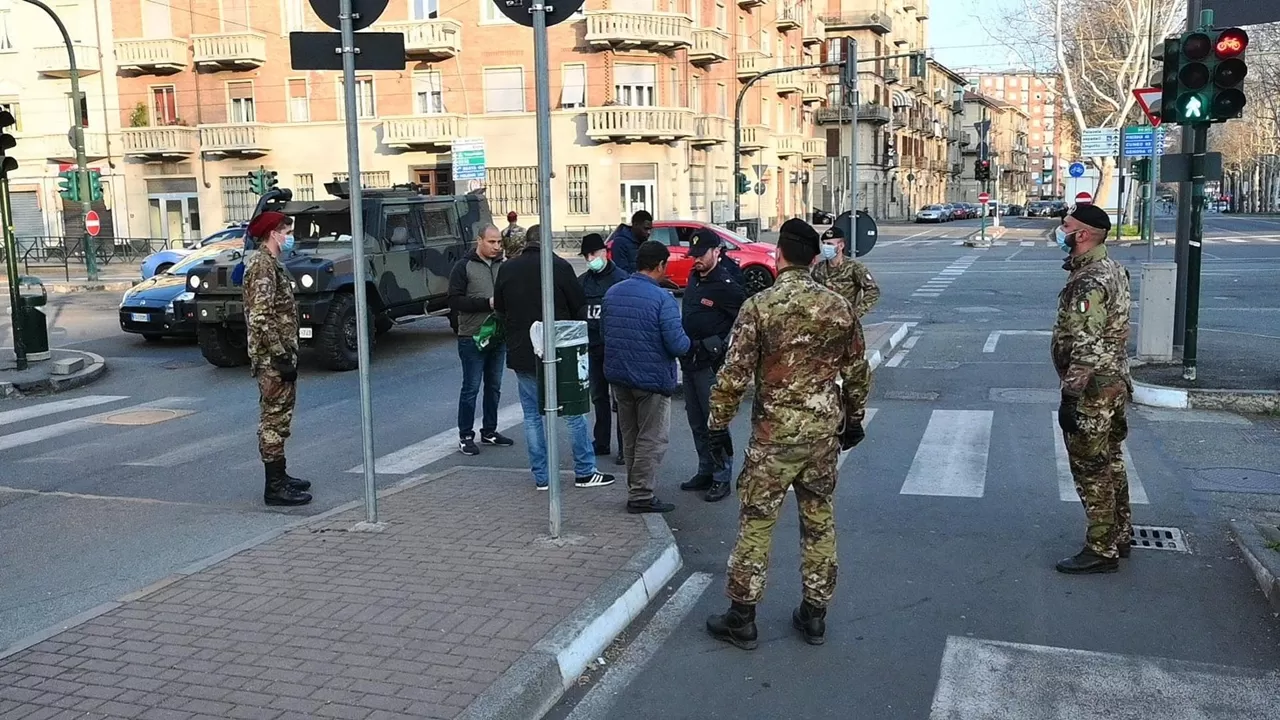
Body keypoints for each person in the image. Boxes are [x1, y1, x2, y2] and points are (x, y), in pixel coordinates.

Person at [703, 218, 869, 650]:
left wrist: (717, 424)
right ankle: (814, 614)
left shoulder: (760, 306)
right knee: (819, 522)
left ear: (778, 255)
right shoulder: (838, 306)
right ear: (815, 259)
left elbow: (733, 373)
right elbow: (856, 371)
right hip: (820, 437)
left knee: (756, 524)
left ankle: (742, 617)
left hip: (772, 438)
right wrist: (854, 420)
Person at [493, 224, 615, 490]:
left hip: (523, 352)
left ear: (527, 242)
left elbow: (500, 310)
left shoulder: (507, 268)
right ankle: (584, 471)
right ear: (547, 242)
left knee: (533, 417)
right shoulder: (558, 267)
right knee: (573, 412)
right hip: (560, 353)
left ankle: (542, 477)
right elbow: (578, 307)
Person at [1051, 204, 1134, 575]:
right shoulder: (1112, 268)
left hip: (1093, 389)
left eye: (1065, 225)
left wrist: (1070, 396)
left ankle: (1101, 548)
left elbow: (1086, 344)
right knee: (1111, 458)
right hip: (1113, 382)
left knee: (1090, 466)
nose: (1060, 230)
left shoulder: (1088, 281)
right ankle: (1121, 533)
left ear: (1082, 234)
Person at [601, 240, 690, 514]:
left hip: (619, 377)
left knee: (630, 436)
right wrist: (692, 344)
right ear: (660, 265)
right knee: (651, 438)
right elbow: (677, 344)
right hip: (651, 380)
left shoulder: (613, 292)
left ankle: (635, 487)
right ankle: (641, 495)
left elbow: (605, 334)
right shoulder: (662, 298)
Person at [242, 211, 312, 507]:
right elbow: (261, 316)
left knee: (280, 418)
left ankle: (281, 476)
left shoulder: (270, 264)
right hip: (273, 359)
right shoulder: (262, 266)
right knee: (273, 420)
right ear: (273, 233)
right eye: (286, 230)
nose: (289, 236)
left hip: (277, 355)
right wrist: (281, 355)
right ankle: (275, 487)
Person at [678, 229, 746, 503]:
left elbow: (744, 321)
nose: (696, 260)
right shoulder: (695, 277)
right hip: (690, 359)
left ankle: (721, 476)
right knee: (696, 422)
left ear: (716, 252)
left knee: (714, 422)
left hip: (711, 364)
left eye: (701, 255)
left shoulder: (727, 283)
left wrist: (720, 344)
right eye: (693, 255)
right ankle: (705, 469)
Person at [449, 223, 514, 456]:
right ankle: (466, 435)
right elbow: (454, 300)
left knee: (494, 386)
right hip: (472, 336)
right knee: (471, 388)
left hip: (497, 336)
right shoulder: (463, 266)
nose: (497, 247)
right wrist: (486, 303)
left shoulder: (503, 266)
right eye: (492, 242)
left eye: (499, 242)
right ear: (480, 241)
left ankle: (490, 430)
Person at [578, 232, 629, 459]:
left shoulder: (621, 279)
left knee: (620, 400)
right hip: (593, 347)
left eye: (593, 254)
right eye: (586, 255)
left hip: (615, 348)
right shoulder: (583, 281)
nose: (590, 259)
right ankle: (601, 441)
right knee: (598, 396)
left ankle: (624, 447)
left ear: (604, 252)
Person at [813, 225, 880, 319]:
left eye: (830, 244)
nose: (825, 247)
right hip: (824, 321)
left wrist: (856, 313)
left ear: (841, 246)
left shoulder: (854, 267)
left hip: (846, 322)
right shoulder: (818, 268)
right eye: (824, 243)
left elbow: (873, 291)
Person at [608, 209, 652, 274]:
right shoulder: (620, 243)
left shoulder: (644, 243)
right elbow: (621, 272)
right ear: (635, 225)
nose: (649, 232)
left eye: (650, 229)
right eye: (646, 229)